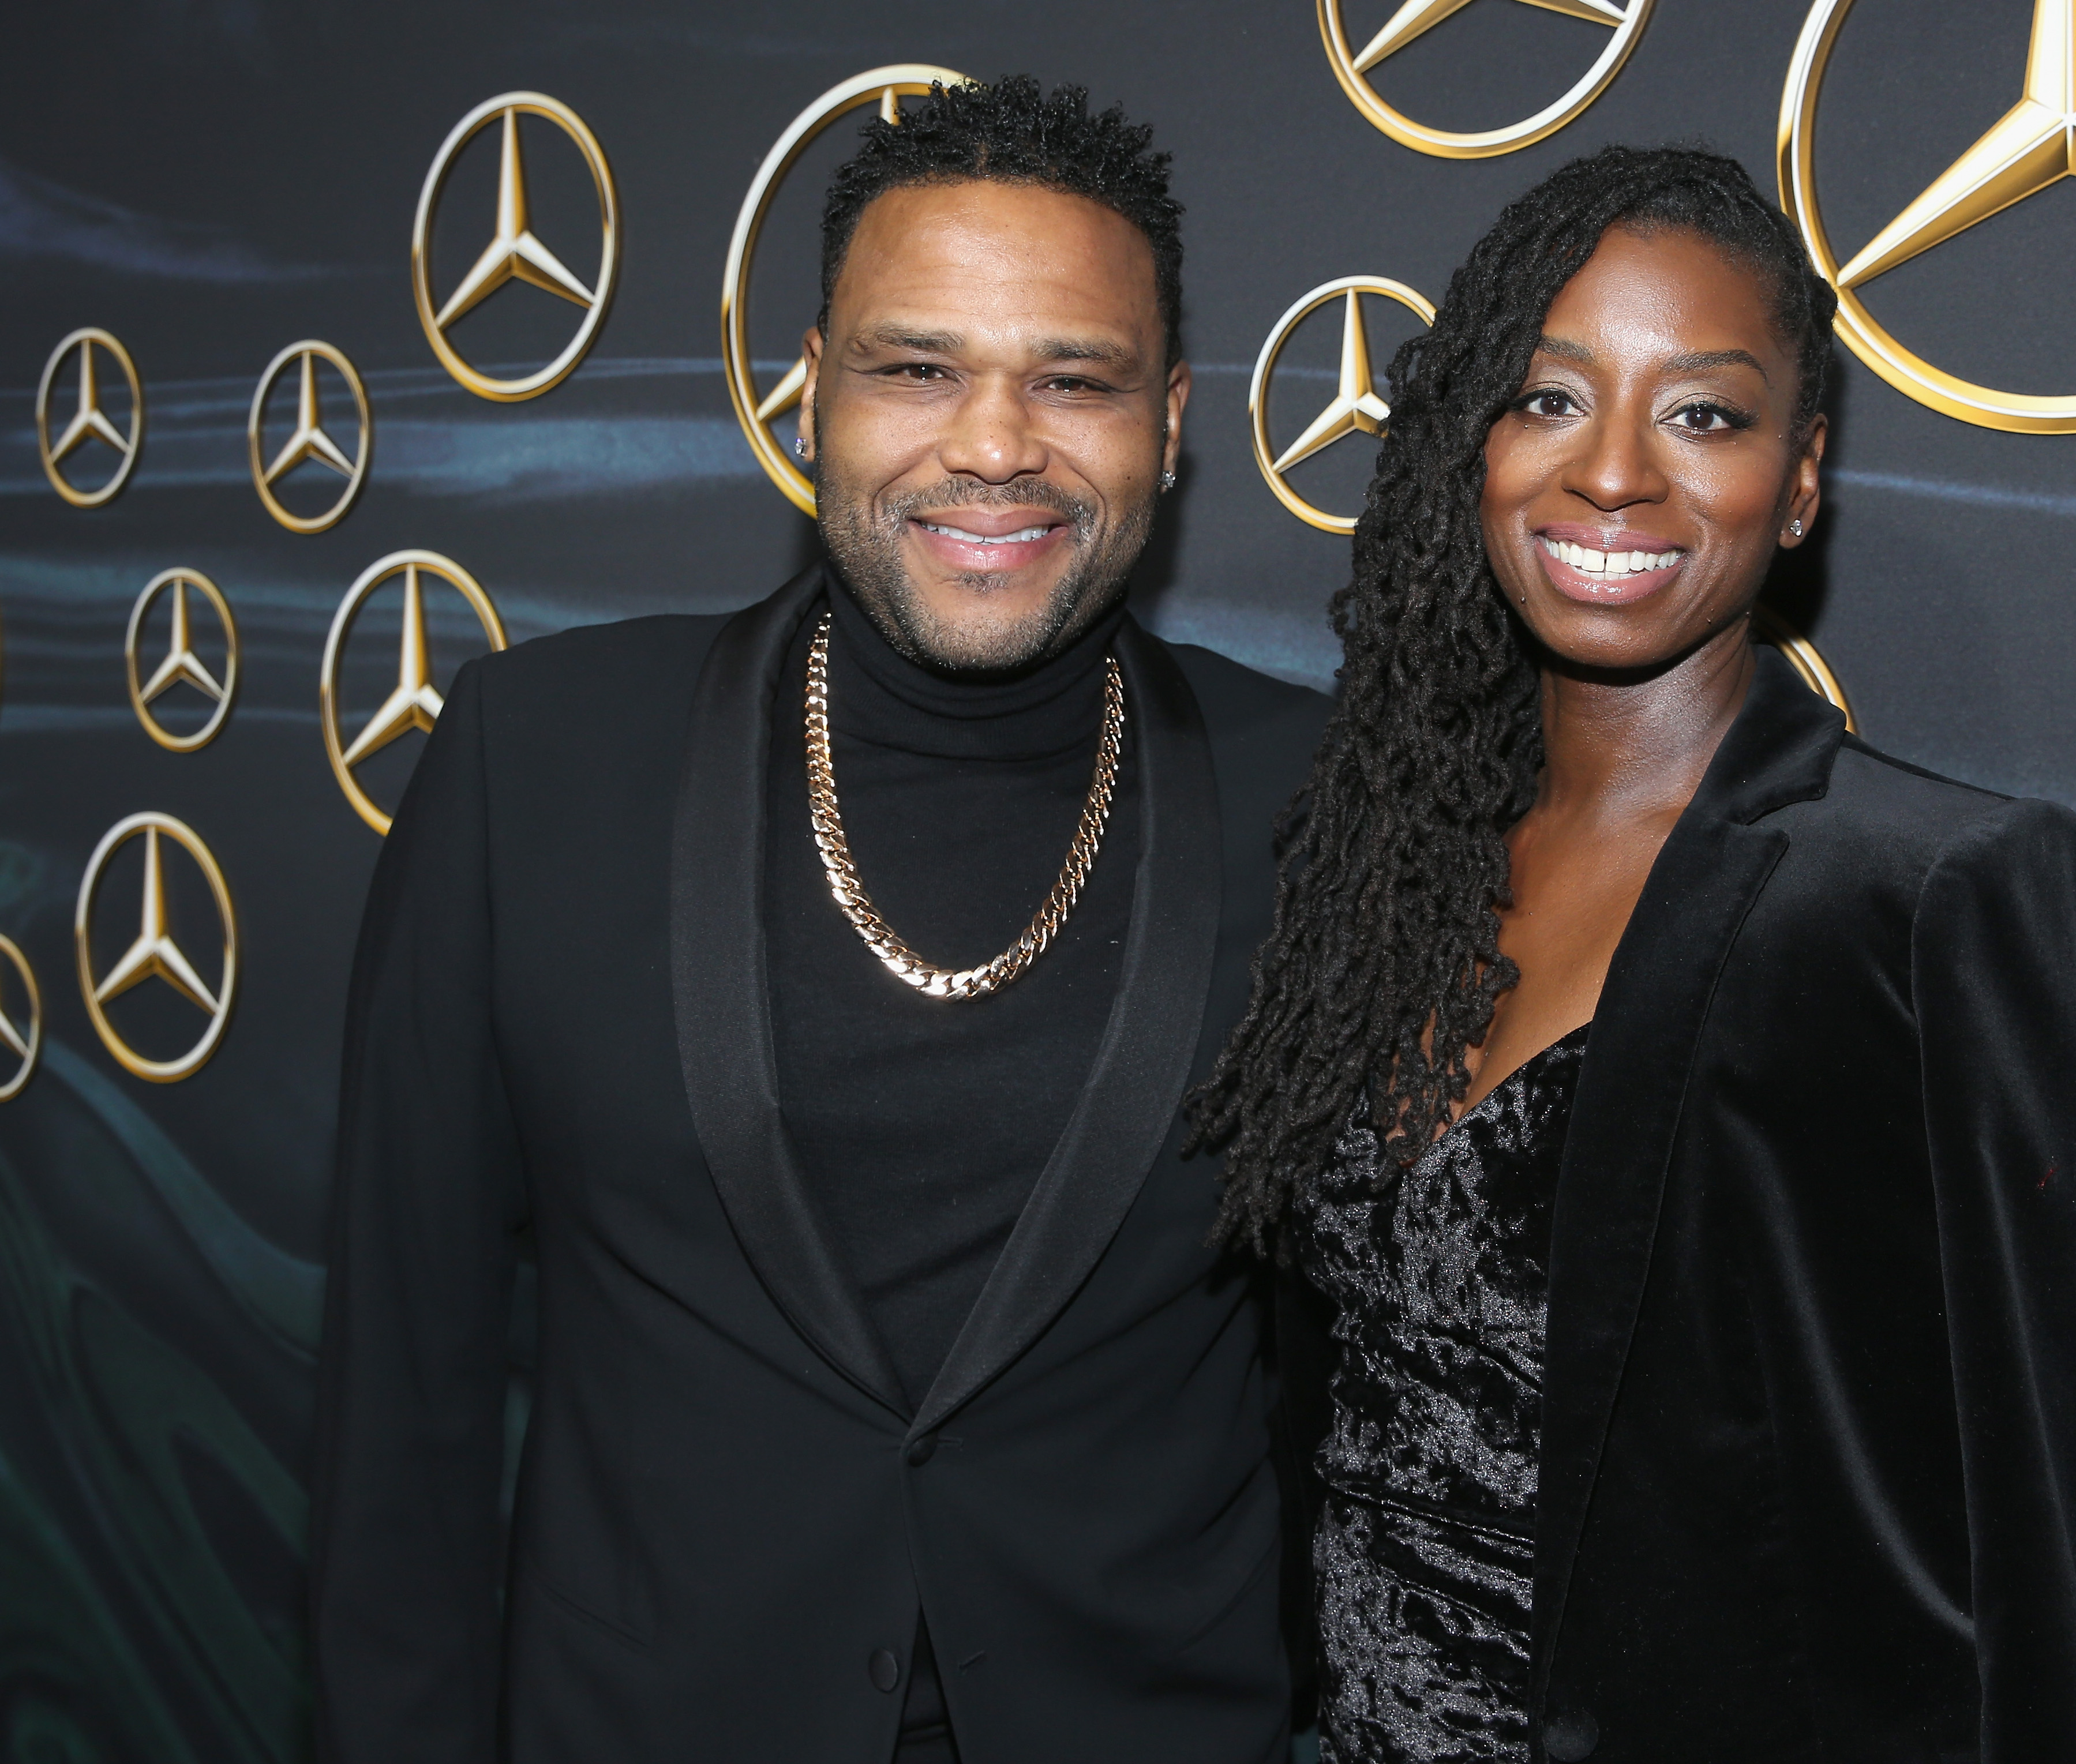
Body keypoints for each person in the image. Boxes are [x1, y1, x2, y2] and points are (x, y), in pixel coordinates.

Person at [310, 78, 1327, 1764]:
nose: (993, 443)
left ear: (1168, 419)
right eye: (915, 367)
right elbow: (397, 1418)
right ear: (807, 394)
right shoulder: (534, 759)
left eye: (1071, 378)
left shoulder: (1319, 801)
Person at [1193, 145, 2076, 1763]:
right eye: (1547, 398)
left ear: (1798, 482)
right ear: (1472, 445)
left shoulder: (1935, 897)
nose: (1612, 475)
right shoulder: (1375, 872)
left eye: (1703, 414)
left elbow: (2070, 1554)